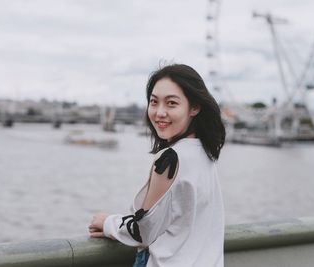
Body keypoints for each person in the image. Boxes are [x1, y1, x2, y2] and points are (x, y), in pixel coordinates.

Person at [88, 64, 226, 267]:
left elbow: (143, 231)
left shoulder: (170, 159)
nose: (159, 112)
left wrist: (107, 222)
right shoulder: (205, 153)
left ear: (194, 107)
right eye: (154, 102)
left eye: (171, 103)